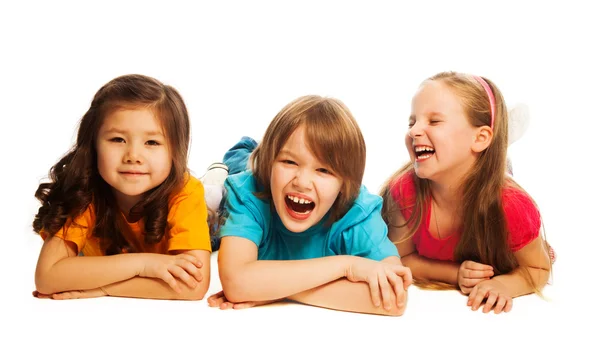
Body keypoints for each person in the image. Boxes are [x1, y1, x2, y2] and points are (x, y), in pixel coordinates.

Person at [207, 95, 412, 316]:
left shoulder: (358, 213)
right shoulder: (248, 193)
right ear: (270, 165)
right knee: (236, 165)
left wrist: (273, 290)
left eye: (324, 170)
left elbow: (394, 298)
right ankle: (224, 167)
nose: (302, 182)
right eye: (289, 162)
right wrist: (347, 265)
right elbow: (237, 283)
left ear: (345, 184)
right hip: (247, 167)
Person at [380, 71, 555, 314]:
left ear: (480, 137)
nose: (413, 131)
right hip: (480, 153)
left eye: (434, 121)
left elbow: (539, 269)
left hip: (490, 177)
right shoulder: (405, 190)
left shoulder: (511, 205)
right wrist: (455, 274)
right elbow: (402, 258)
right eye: (412, 122)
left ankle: (502, 145)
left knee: (500, 168)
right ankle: (499, 142)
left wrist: (504, 284)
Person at [32, 74, 212, 300]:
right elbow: (47, 278)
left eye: (152, 142)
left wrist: (103, 289)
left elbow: (193, 286)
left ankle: (219, 171)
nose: (133, 156)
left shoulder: (185, 192)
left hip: (211, 215)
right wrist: (144, 264)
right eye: (117, 139)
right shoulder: (84, 192)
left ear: (176, 152)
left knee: (217, 201)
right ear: (93, 144)